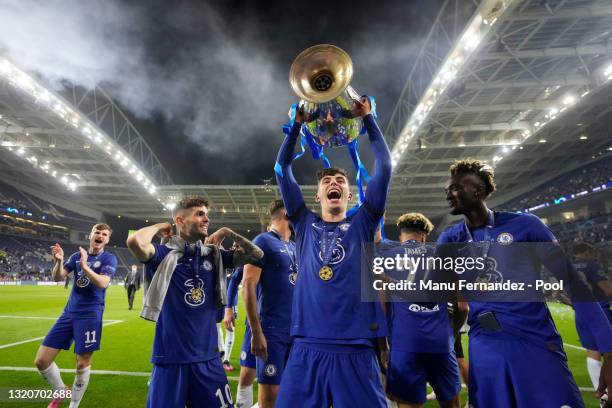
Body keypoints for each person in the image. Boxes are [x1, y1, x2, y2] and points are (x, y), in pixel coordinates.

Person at [438, 158, 612, 407]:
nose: (448, 195)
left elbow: (575, 284)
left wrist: (609, 350)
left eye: (455, 188)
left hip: (537, 346)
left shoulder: (525, 226)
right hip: (486, 352)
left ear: (476, 191)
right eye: (447, 190)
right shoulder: (449, 240)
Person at [274, 97, 392, 407]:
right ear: (317, 194)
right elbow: (281, 167)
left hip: (355, 348)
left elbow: (386, 166)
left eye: (340, 181)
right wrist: (296, 126)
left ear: (350, 195)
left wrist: (369, 120)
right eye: (328, 181)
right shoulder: (303, 222)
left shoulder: (363, 223)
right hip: (305, 348)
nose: (334, 183)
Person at [126, 196, 263, 408]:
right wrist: (161, 225)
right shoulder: (163, 254)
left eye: (207, 215)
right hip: (170, 360)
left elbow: (256, 254)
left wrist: (227, 231)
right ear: (180, 221)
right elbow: (135, 242)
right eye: (200, 214)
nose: (206, 219)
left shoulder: (213, 256)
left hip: (208, 360)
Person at [379, 213, 462, 408]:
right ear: (424, 236)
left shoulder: (387, 259)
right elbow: (462, 306)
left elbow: (382, 309)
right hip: (441, 343)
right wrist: (452, 334)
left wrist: (384, 347)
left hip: (404, 342)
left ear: (401, 235)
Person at [35, 223, 117, 408]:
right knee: (41, 361)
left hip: (90, 315)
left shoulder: (109, 258)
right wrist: (58, 261)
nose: (100, 236)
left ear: (107, 239)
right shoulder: (75, 256)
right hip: (69, 313)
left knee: (82, 363)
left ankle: (74, 404)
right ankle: (60, 389)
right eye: (97, 232)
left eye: (104, 234)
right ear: (90, 235)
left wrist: (85, 266)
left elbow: (103, 282)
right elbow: (58, 277)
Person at [243, 199, 296, 407]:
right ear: (286, 214)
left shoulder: (294, 246)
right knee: (270, 398)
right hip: (272, 332)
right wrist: (256, 332)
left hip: (296, 332)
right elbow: (248, 286)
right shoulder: (262, 241)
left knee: (291, 394)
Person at [573, 243, 612, 392]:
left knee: (592, 350)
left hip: (581, 312)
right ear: (585, 252)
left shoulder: (566, 267)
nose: (594, 255)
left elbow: (559, 293)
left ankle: (601, 392)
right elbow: (607, 289)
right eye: (592, 252)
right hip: (599, 311)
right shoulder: (592, 265)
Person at [223, 265, 257, 408]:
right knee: (248, 372)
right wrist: (229, 308)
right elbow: (235, 278)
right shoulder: (261, 244)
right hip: (259, 321)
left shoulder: (293, 250)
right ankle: (224, 359)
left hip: (288, 327)